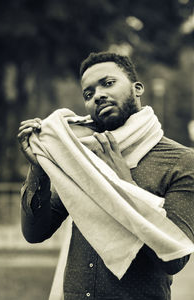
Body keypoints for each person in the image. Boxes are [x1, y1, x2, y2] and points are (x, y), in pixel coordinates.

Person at [18, 52, 194, 300]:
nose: (98, 95)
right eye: (88, 94)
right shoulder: (81, 157)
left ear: (137, 88)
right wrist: (38, 169)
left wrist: (124, 185)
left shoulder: (182, 161)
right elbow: (35, 233)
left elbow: (175, 258)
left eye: (108, 83)